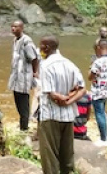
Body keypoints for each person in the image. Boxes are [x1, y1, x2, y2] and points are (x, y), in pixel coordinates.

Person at [37, 35, 86, 174]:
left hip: (50, 117)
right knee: (67, 156)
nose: (39, 49)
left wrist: (63, 99)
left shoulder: (45, 65)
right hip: (68, 117)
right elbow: (82, 89)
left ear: (46, 48)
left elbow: (52, 94)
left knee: (50, 157)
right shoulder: (70, 64)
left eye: (41, 46)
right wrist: (70, 101)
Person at [7, 20, 40, 131]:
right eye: (12, 26)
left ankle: (24, 128)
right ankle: (22, 123)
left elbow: (34, 58)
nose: (13, 28)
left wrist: (35, 73)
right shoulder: (15, 40)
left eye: (16, 26)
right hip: (16, 75)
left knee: (23, 102)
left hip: (24, 76)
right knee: (17, 100)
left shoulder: (27, 41)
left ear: (22, 28)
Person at [89, 40, 107, 146]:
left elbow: (90, 77)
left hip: (97, 91)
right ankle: (105, 135)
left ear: (99, 48)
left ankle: (103, 139)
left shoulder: (98, 62)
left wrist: (91, 67)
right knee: (102, 113)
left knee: (99, 114)